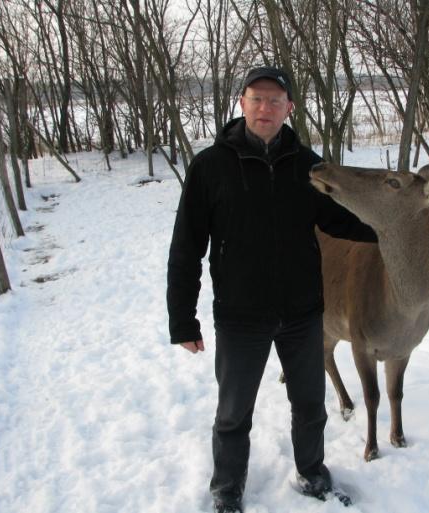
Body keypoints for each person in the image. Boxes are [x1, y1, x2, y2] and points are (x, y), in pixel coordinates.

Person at [167, 66, 376, 513]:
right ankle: (227, 489)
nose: (265, 108)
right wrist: (182, 318)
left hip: (302, 311)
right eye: (256, 98)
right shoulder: (210, 166)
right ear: (241, 102)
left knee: (310, 406)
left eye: (275, 100)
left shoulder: (307, 165)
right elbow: (186, 246)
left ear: (290, 108)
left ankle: (312, 474)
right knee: (233, 413)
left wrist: (392, 230)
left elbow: (338, 220)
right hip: (241, 315)